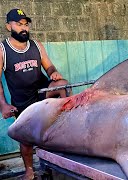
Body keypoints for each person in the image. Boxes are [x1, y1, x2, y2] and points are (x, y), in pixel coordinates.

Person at [0, 9, 71, 180]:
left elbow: (49, 67)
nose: (24, 28)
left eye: (26, 24)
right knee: (26, 140)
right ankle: (29, 171)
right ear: (9, 26)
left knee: (63, 85)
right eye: (19, 24)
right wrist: (3, 104)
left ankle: (68, 125)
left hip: (42, 92)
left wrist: (54, 73)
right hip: (23, 101)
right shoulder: (2, 50)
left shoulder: (37, 45)